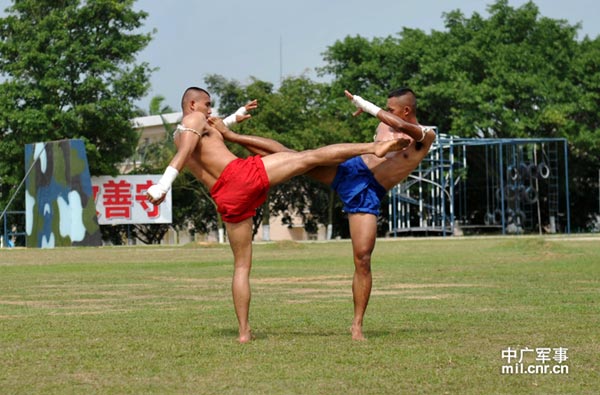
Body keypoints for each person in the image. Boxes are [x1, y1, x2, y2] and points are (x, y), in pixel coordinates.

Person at [146, 86, 411, 343]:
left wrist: (235, 117)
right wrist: (162, 186)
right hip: (240, 176)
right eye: (207, 104)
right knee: (308, 157)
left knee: (241, 266)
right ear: (192, 105)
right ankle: (371, 148)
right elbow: (185, 151)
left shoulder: (183, 131)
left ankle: (244, 332)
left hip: (225, 196)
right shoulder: (194, 118)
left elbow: (205, 136)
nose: (210, 109)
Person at [213, 87, 435, 340]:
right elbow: (388, 121)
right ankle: (231, 136)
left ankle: (357, 325)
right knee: (291, 156)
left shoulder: (425, 135)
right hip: (351, 168)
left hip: (369, 191)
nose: (386, 113)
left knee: (362, 258)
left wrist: (366, 104)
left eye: (391, 109)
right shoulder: (386, 126)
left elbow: (394, 122)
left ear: (406, 110)